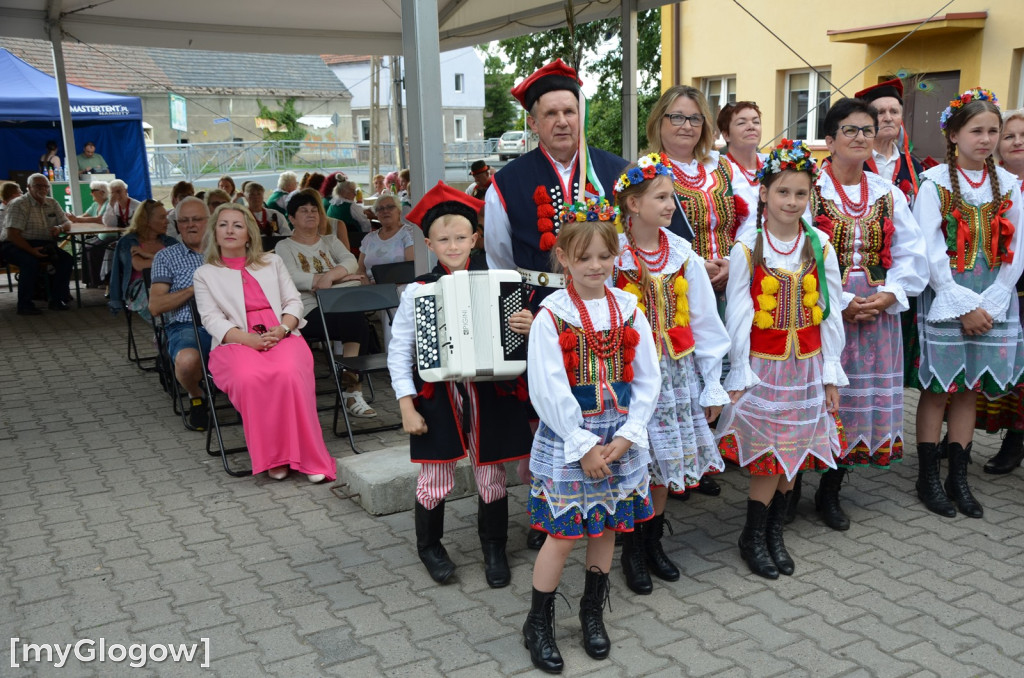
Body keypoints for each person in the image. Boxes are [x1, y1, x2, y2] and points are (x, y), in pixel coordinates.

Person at [485, 58, 629, 552]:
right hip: (539, 313)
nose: (563, 121)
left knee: (605, 402)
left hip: (603, 310)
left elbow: (629, 247)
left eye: (570, 110)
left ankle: (609, 497)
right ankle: (548, 506)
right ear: (533, 122)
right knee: (543, 410)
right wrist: (515, 316)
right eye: (551, 113)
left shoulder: (615, 170)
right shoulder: (507, 182)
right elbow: (499, 259)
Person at [522, 217, 659, 673]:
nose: (596, 266)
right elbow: (548, 386)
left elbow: (647, 377)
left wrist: (627, 434)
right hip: (571, 440)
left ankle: (591, 613)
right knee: (563, 536)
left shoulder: (629, 307)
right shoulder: (552, 315)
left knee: (606, 530)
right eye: (585, 258)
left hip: (619, 437)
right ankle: (537, 622)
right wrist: (581, 444)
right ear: (564, 259)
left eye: (605, 256)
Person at [388, 181, 534, 587]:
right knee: (436, 477)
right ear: (430, 245)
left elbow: (520, 341)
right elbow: (400, 350)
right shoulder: (417, 292)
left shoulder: (502, 283)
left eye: (460, 237)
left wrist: (528, 326)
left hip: (490, 393)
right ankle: (430, 547)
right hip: (438, 396)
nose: (453, 246)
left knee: (491, 473)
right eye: (443, 239)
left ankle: (494, 548)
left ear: (475, 238)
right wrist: (405, 403)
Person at [716, 140, 847, 579]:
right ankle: (753, 534)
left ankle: (774, 532)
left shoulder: (820, 245)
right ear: (763, 194)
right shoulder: (748, 248)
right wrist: (738, 370)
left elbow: (829, 313)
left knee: (794, 452)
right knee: (767, 456)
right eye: (783, 192)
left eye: (800, 194)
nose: (791, 202)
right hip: (763, 368)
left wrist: (830, 373)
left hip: (806, 366)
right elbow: (736, 314)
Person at [807, 98, 928, 531]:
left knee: (856, 404)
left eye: (867, 130)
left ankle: (831, 489)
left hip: (876, 312)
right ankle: (790, 487)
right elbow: (797, 252)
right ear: (830, 140)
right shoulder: (810, 189)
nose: (861, 138)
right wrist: (839, 301)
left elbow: (912, 254)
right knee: (819, 396)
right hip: (821, 307)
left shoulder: (887, 193)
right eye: (850, 130)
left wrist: (891, 294)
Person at [612, 153, 730, 594]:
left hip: (675, 374)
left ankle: (651, 541)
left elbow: (703, 321)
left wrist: (712, 381)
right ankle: (629, 547)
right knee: (636, 462)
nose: (670, 204)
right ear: (633, 203)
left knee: (664, 465)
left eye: (672, 196)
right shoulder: (614, 254)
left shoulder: (681, 253)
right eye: (660, 197)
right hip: (629, 376)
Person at [911, 88, 1024, 519]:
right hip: (948, 295)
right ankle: (928, 477)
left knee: (970, 388)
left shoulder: (1009, 185)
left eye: (993, 130)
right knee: (940, 387)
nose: (987, 138)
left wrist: (993, 303)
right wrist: (960, 301)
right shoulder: (934, 183)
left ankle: (958, 475)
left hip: (993, 295)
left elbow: (1018, 248)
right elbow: (928, 247)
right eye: (977, 130)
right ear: (954, 134)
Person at [192, 204, 336, 483]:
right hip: (234, 340)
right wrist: (249, 340)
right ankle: (276, 457)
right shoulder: (205, 274)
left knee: (290, 374)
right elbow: (211, 319)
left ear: (249, 233)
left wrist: (282, 329)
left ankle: (308, 457)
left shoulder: (272, 262)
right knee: (250, 378)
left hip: (280, 331)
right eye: (223, 224)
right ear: (215, 232)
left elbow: (294, 301)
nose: (230, 230)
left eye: (238, 225)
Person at [275, 190, 376, 418]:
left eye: (314, 211)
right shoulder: (285, 247)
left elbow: (350, 260)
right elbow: (291, 276)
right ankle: (352, 387)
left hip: (339, 303)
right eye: (303, 211)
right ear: (291, 218)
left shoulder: (330, 241)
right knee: (355, 320)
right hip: (307, 311)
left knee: (357, 320)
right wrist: (339, 277)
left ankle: (351, 385)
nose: (311, 214)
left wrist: (330, 278)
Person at [647, 86, 750, 294]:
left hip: (733, 283)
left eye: (695, 119)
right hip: (678, 287)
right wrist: (696, 266)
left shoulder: (724, 165)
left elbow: (752, 221)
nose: (687, 126)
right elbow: (644, 236)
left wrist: (733, 262)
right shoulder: (647, 172)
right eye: (677, 117)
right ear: (659, 121)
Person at [981, 109, 1024, 474]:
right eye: (1009, 136)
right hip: (993, 287)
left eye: (1023, 136)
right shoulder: (989, 184)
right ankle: (960, 437)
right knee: (986, 361)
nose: (1016, 142)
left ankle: (1016, 439)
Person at [149, 197, 213, 431]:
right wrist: (194, 287)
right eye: (184, 221)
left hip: (231, 324)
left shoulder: (227, 251)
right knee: (187, 361)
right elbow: (155, 306)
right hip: (187, 326)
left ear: (209, 222)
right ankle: (197, 395)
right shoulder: (166, 257)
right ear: (177, 225)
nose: (191, 225)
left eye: (197, 219)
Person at [0, 173, 74, 314]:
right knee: (30, 263)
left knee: (66, 260)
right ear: (28, 187)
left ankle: (57, 300)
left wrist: (60, 228)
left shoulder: (52, 203)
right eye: (38, 185)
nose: (43, 189)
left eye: (46, 186)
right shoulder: (19, 204)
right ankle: (24, 305)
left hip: (43, 243)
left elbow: (67, 222)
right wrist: (32, 251)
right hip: (15, 244)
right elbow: (12, 235)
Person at [856, 79, 924, 208]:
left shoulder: (915, 167)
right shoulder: (851, 162)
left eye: (894, 112)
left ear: (901, 118)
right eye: (880, 112)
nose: (888, 118)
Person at [108, 199, 178, 322]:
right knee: (161, 305)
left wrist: (148, 255)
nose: (167, 221)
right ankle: (166, 335)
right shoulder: (129, 242)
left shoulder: (170, 242)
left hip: (169, 286)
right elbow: (140, 265)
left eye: (166, 217)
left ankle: (166, 336)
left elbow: (180, 264)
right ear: (147, 221)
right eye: (162, 217)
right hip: (141, 289)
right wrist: (166, 261)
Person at [719, 101, 766, 236]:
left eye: (756, 122)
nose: (751, 127)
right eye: (741, 123)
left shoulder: (773, 164)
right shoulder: (717, 170)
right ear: (726, 135)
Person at [356, 193, 414, 282]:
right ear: (376, 214)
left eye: (390, 207)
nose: (385, 211)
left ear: (399, 211)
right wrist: (366, 284)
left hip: (398, 286)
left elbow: (410, 268)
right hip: (371, 288)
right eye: (380, 209)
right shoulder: (369, 238)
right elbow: (360, 270)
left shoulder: (408, 234)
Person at [71, 181, 114, 288]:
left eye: (92, 191)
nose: (90, 194)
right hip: (101, 235)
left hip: (110, 236)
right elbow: (84, 216)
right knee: (85, 247)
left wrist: (76, 219)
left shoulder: (108, 204)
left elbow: (100, 219)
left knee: (92, 248)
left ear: (101, 192)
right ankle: (89, 280)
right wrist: (73, 219)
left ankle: (100, 281)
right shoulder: (95, 204)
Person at [326, 180, 372, 252]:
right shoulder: (351, 206)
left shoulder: (332, 205)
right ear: (344, 193)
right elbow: (365, 224)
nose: (355, 194)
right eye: (353, 191)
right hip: (353, 240)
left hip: (335, 240)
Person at [245, 182, 291, 250]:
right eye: (252, 194)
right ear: (246, 197)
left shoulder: (275, 214)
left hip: (275, 249)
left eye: (259, 194)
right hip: (251, 250)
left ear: (263, 196)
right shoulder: (242, 215)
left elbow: (287, 234)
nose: (256, 197)